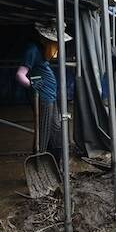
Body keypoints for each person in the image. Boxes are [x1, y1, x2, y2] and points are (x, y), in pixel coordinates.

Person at [16, 22, 71, 163]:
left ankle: (55, 164)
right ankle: (39, 164)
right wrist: (32, 84)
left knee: (56, 130)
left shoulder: (41, 50)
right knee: (44, 132)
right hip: (42, 97)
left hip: (50, 96)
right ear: (44, 39)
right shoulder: (32, 50)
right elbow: (20, 75)